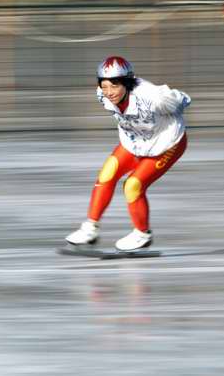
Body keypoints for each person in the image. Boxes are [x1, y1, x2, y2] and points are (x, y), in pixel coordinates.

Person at [65, 56, 191, 251]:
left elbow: (184, 100)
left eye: (115, 85)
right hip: (134, 142)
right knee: (106, 175)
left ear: (128, 83)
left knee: (132, 185)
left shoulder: (153, 97)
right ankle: (90, 228)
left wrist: (167, 115)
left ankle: (142, 234)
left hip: (166, 144)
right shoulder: (102, 95)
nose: (109, 92)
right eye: (104, 86)